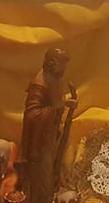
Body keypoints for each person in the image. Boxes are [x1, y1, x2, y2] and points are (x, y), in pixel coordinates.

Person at [19, 48, 75, 203]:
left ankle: (48, 194)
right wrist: (56, 108)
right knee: (41, 174)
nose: (64, 69)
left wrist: (66, 103)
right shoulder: (39, 85)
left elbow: (56, 101)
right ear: (52, 63)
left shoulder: (54, 79)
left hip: (50, 135)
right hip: (39, 142)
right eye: (62, 64)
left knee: (51, 170)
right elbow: (31, 115)